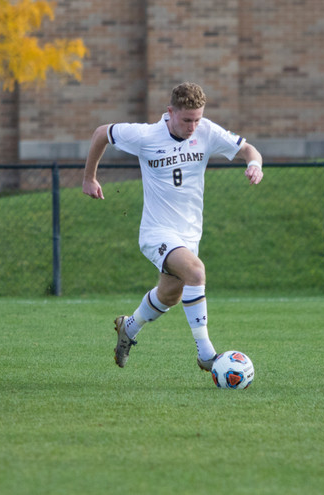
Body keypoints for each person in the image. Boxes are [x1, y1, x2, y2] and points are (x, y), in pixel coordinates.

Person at [82, 82, 264, 371]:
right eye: (187, 119)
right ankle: (206, 355)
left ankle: (128, 328)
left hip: (189, 233)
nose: (193, 126)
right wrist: (89, 177)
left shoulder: (206, 131)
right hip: (157, 232)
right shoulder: (146, 135)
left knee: (170, 295)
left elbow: (248, 149)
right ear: (170, 112)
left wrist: (255, 164)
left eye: (198, 119)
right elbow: (101, 133)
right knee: (196, 271)